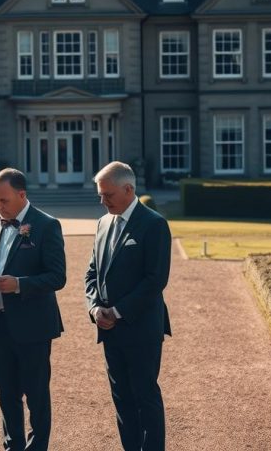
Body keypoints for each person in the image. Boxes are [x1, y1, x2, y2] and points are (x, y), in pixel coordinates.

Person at [0, 168, 65, 450]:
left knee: (36, 397)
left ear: (22, 195)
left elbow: (57, 277)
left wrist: (19, 284)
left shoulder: (47, 225)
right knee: (6, 396)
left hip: (33, 327)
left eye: (4, 200)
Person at [84, 161, 172, 451]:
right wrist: (95, 308)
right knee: (121, 398)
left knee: (145, 396)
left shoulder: (154, 224)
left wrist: (118, 311)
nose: (102, 200)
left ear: (128, 189)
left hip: (141, 327)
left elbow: (155, 279)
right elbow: (92, 272)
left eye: (107, 194)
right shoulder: (102, 222)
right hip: (108, 327)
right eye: (100, 194)